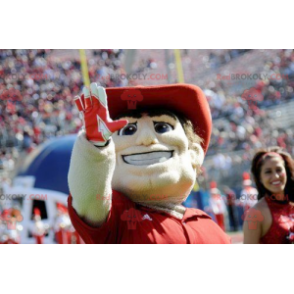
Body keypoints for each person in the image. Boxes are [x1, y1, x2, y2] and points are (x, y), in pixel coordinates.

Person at [67, 83, 231, 245]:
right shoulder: (117, 219)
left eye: (162, 127)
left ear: (193, 153)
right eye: (129, 130)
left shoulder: (209, 227)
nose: (146, 138)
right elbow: (89, 199)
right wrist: (96, 146)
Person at [243, 147, 294, 245]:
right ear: (260, 178)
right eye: (268, 172)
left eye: (279, 170)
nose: (275, 176)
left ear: (286, 172)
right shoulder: (255, 214)